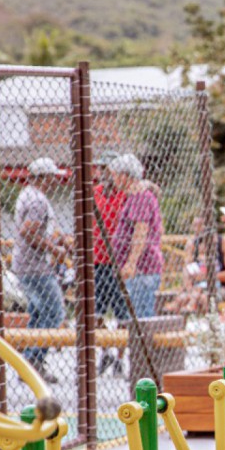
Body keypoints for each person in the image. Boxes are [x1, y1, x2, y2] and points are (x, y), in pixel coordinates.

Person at [14, 157, 69, 383]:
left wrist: (60, 242)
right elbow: (29, 232)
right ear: (43, 178)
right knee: (55, 311)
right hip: (35, 266)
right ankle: (34, 360)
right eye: (52, 177)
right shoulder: (37, 200)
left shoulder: (28, 195)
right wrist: (54, 250)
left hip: (27, 265)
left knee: (38, 312)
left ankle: (28, 362)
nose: (55, 182)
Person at [109, 154, 163, 320]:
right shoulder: (137, 195)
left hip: (141, 268)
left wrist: (131, 263)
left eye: (115, 175)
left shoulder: (140, 197)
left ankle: (143, 346)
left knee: (141, 317)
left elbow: (141, 230)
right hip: (140, 268)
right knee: (139, 314)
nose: (113, 180)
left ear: (125, 176)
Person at [93, 151, 130, 377]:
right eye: (100, 168)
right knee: (96, 313)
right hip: (98, 261)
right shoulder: (94, 194)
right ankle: (105, 350)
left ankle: (118, 358)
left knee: (122, 315)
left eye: (108, 168)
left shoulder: (124, 195)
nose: (103, 172)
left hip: (118, 262)